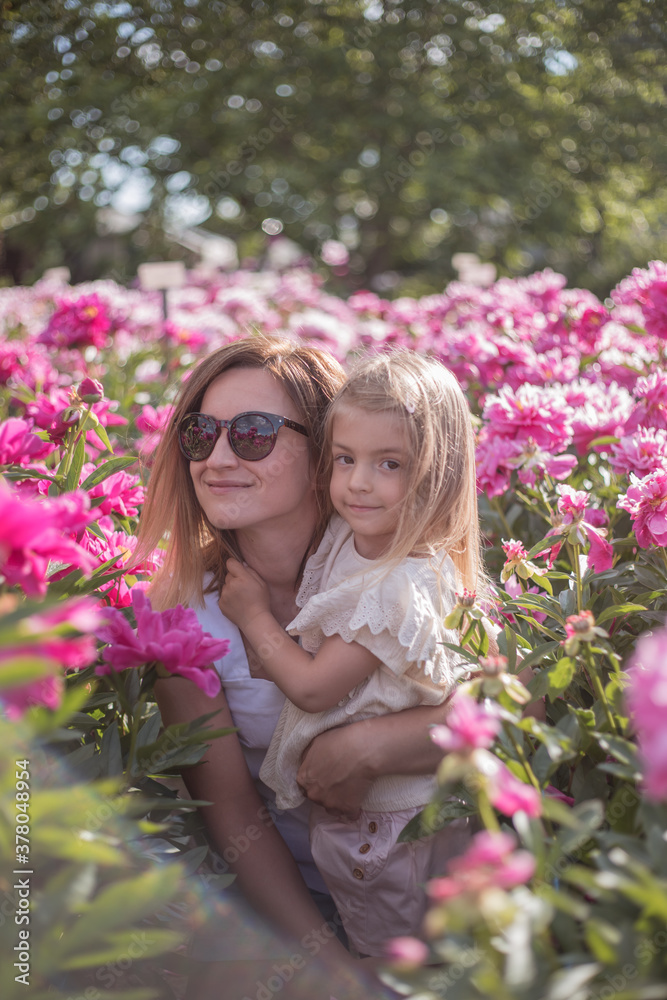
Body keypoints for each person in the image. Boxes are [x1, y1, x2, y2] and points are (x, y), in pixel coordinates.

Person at [137, 336, 467, 994]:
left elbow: (523, 705)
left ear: (323, 444)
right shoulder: (180, 619)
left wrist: (374, 745)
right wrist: (329, 965)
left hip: (457, 896)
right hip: (299, 912)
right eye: (201, 434)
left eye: (253, 433)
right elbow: (230, 811)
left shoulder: (399, 557)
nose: (218, 457)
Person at [219, 349, 483, 958]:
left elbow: (314, 688)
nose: (359, 482)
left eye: (389, 464)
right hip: (359, 819)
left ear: (437, 473)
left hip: (387, 831)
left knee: (396, 961)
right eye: (345, 459)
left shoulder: (396, 587)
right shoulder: (356, 534)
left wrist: (256, 619)